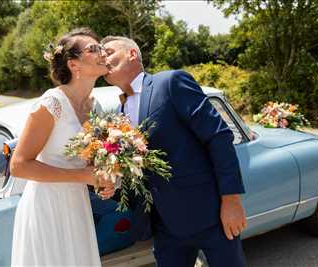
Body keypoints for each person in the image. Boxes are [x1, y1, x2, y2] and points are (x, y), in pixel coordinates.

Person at [101, 36, 247, 267]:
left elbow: (218, 136)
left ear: (132, 54)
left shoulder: (170, 82)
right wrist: (112, 183)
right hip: (164, 226)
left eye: (108, 51)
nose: (103, 57)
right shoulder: (118, 112)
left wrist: (231, 200)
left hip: (211, 214)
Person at [10, 27, 114, 266]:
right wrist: (82, 176)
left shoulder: (95, 107)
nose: (103, 53)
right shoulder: (52, 103)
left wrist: (105, 181)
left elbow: (91, 163)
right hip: (46, 205)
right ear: (73, 65)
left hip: (77, 206)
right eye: (93, 49)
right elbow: (18, 166)